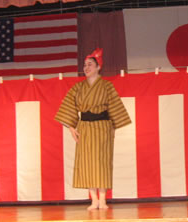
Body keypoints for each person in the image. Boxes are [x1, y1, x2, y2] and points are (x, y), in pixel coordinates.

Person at [55, 48, 131, 210]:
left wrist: (112, 129)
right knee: (87, 163)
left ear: (98, 67)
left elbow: (115, 109)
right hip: (85, 128)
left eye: (90, 64)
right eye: (85, 65)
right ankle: (94, 199)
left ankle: (103, 199)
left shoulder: (107, 86)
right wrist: (71, 127)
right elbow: (69, 105)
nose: (86, 67)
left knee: (102, 162)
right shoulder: (78, 88)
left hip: (103, 127)